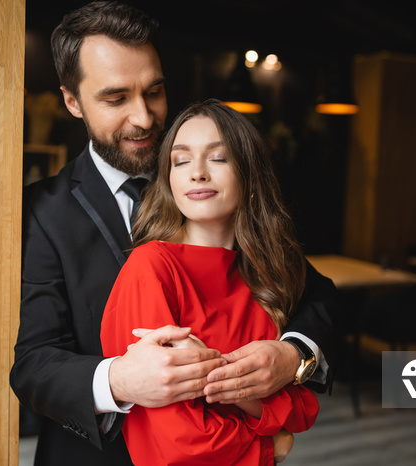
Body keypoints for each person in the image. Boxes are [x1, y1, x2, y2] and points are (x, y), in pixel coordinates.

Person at [10, 2, 338, 465]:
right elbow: (32, 366)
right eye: (116, 98)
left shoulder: (216, 193)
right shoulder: (41, 211)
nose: (144, 118)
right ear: (72, 101)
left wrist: (293, 355)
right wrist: (119, 379)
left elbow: (317, 296)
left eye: (155, 91)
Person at [101, 99, 320, 465]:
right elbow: (180, 443)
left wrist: (215, 377)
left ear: (250, 177)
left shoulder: (267, 275)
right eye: (181, 160)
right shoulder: (152, 267)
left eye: (218, 158)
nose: (197, 173)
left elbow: (302, 410)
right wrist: (270, 442)